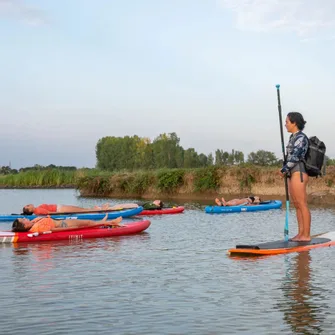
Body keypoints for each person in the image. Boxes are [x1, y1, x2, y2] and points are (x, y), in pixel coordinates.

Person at [279, 112, 310, 242]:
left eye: (287, 122)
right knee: (296, 204)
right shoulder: (292, 137)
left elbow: (297, 156)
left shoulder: (301, 138)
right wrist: (286, 169)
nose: (285, 124)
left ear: (294, 123)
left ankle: (306, 235)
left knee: (302, 204)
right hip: (292, 173)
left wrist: (284, 169)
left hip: (299, 172)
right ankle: (300, 233)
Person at [12, 214, 122, 233]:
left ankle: (105, 222)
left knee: (88, 223)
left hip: (62, 222)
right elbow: (53, 230)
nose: (24, 218)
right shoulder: (37, 227)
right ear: (24, 226)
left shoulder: (32, 223)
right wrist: (73, 228)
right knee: (88, 223)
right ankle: (110, 222)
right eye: (23, 220)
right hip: (64, 225)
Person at [22, 203, 127, 215]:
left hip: (60, 208)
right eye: (27, 206)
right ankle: (101, 210)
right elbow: (49, 213)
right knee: (81, 210)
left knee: (82, 209)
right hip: (60, 209)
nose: (28, 204)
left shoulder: (37, 210)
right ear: (30, 210)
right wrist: (65, 214)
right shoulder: (38, 211)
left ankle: (98, 209)